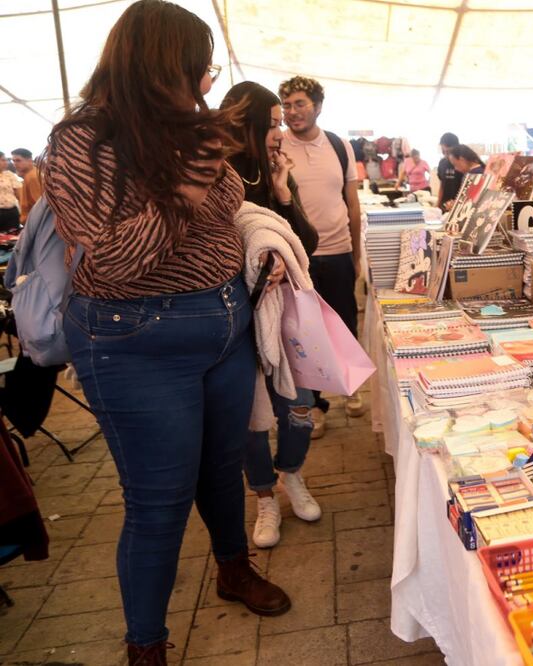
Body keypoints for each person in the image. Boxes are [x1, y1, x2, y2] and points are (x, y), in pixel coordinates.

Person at [42, 2, 291, 662]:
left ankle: (233, 569)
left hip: (222, 323)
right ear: (161, 66)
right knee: (159, 501)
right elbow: (117, 260)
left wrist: (207, 172)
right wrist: (189, 177)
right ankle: (145, 645)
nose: (205, 83)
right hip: (135, 338)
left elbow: (230, 201)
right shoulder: (81, 141)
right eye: (197, 68)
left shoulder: (183, 133)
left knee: (220, 468)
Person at [219, 81, 322, 549]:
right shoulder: (214, 173)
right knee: (251, 416)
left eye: (283, 122)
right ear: (249, 123)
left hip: (287, 317)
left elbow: (309, 243)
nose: (281, 131)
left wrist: (282, 193)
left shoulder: (275, 172)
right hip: (235, 317)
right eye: (274, 123)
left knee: (300, 404)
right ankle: (263, 494)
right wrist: (255, 259)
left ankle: (292, 474)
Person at [278, 75, 364, 434]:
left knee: (344, 323)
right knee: (307, 331)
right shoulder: (277, 146)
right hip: (299, 258)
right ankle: (316, 404)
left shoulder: (339, 144)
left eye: (299, 104)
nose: (292, 111)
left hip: (339, 249)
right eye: (286, 105)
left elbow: (352, 203)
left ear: (317, 106)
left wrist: (356, 253)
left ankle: (351, 387)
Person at [10, 148, 41, 224]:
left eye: (18, 160)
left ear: (30, 160)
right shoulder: (30, 174)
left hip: (34, 222)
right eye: (13, 161)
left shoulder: (32, 177)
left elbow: (39, 205)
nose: (15, 164)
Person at [436, 132, 462, 210]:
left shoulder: (462, 163)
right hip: (444, 206)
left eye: (448, 151)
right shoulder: (442, 163)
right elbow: (442, 186)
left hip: (458, 207)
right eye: (443, 151)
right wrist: (437, 205)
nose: (446, 155)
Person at [0, 153, 19, 232]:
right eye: (3, 160)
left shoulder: (10, 175)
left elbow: (18, 194)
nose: (6, 162)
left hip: (11, 211)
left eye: (6, 160)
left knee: (11, 238)